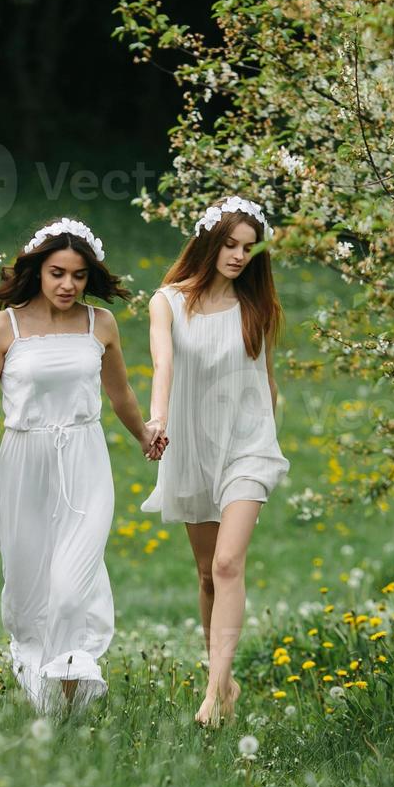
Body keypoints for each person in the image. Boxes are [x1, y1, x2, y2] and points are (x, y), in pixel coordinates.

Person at [0, 218, 166, 714]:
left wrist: (143, 433)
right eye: (57, 273)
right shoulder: (2, 327)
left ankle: (73, 684)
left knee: (73, 589)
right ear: (36, 271)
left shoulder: (101, 324)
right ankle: (45, 697)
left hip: (85, 460)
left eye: (78, 276)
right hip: (24, 464)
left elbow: (119, 393)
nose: (67, 285)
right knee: (29, 587)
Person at [142, 196, 289, 727]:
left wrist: (264, 433)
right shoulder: (168, 302)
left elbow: (266, 382)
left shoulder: (257, 307)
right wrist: (157, 420)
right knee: (207, 573)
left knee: (228, 564)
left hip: (248, 447)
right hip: (191, 447)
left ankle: (211, 696)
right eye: (230, 244)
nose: (239, 256)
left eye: (249, 249)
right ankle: (224, 682)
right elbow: (164, 365)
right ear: (209, 241)